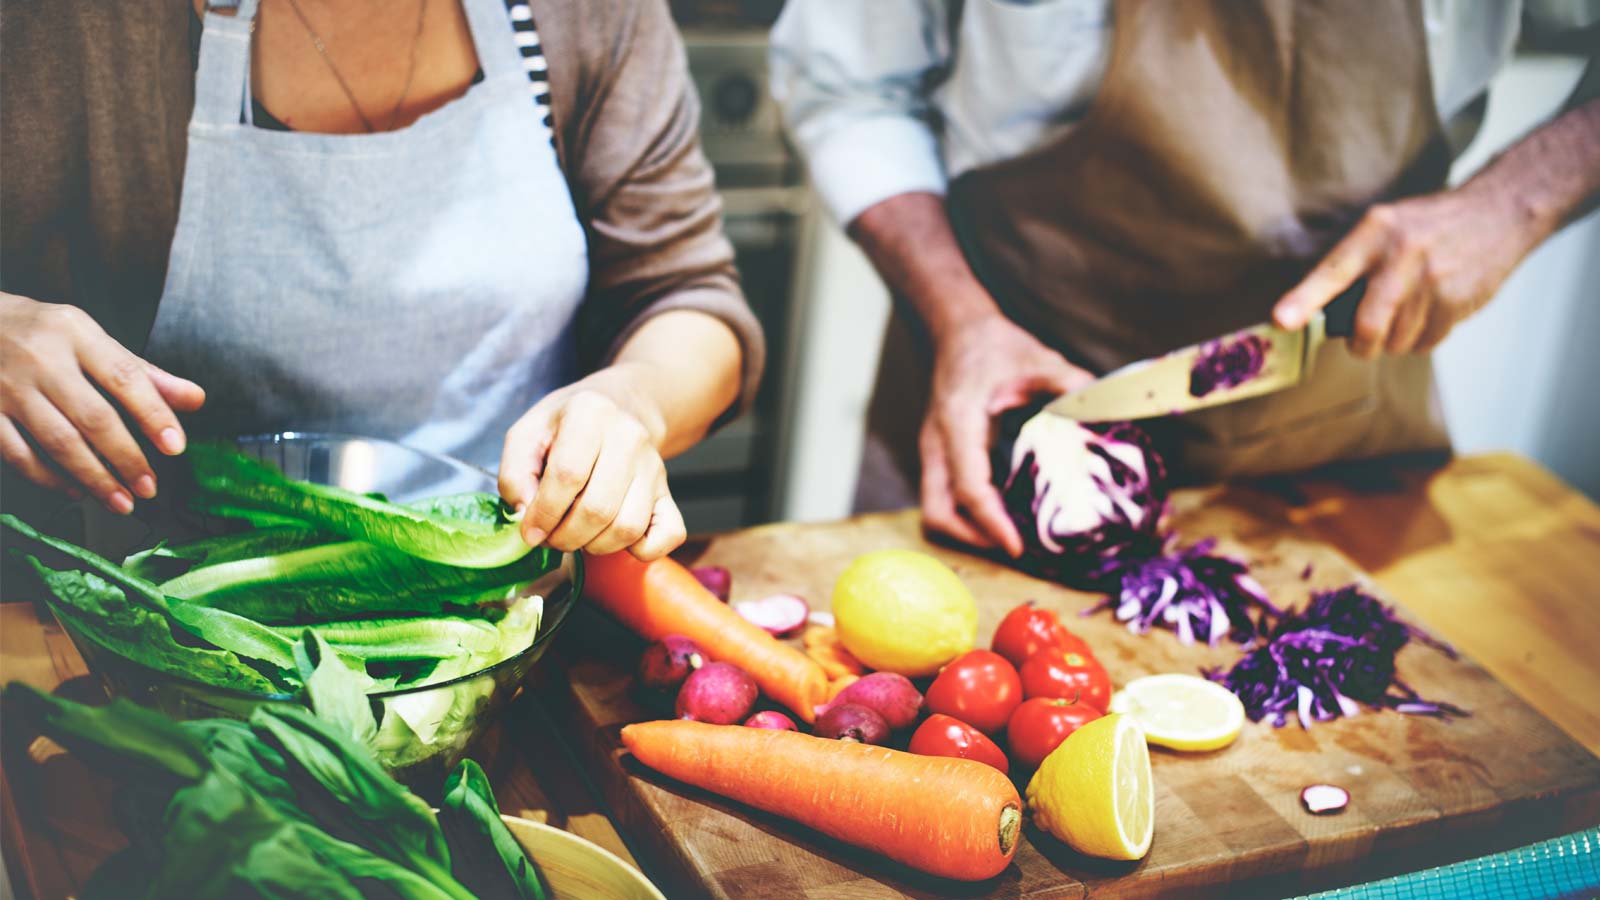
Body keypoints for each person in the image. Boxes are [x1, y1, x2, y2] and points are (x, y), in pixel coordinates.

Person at [770, 0, 1600, 558]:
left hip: (1342, 425)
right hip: (996, 402)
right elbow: (847, 88)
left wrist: (1516, 199)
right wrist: (961, 318)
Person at [0, 0, 763, 561]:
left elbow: (687, 297)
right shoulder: (70, 27)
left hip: (515, 611)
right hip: (171, 622)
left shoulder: (586, 15)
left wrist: (631, 400)